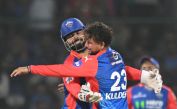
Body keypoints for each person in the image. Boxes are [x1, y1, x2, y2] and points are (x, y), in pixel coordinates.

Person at [10, 22, 162, 109]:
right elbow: (69, 81)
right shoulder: (71, 62)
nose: (75, 38)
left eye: (77, 33)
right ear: (65, 42)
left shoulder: (97, 57)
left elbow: (120, 70)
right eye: (69, 37)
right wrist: (84, 93)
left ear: (86, 32)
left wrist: (144, 76)